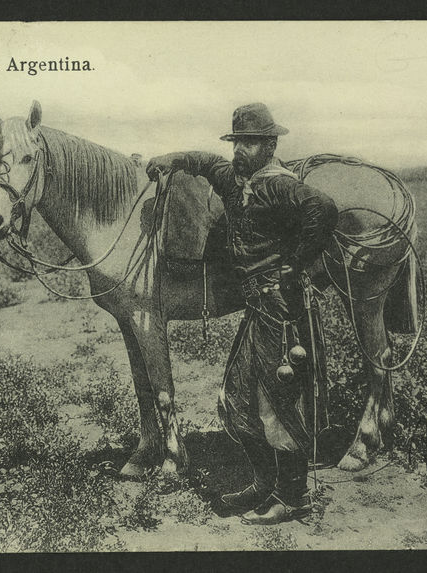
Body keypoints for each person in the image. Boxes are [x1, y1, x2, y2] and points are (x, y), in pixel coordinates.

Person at [147, 103, 338, 525]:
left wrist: (297, 261)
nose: (240, 150)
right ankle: (263, 483)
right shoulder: (236, 179)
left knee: (278, 404)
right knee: (235, 400)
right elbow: (204, 161)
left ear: (270, 145)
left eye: (250, 143)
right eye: (238, 142)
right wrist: (171, 159)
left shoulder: (277, 185)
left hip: (283, 310)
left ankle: (293, 497)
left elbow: (322, 209)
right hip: (257, 309)